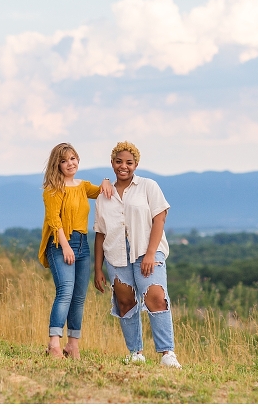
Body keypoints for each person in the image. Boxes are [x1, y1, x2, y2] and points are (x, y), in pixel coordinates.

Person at [93, 141, 182, 368]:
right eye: (119, 161)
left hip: (146, 250)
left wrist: (151, 254)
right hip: (116, 254)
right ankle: (135, 353)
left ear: (136, 164)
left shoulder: (148, 186)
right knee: (125, 302)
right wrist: (97, 269)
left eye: (129, 162)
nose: (124, 166)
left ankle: (167, 353)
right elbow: (100, 234)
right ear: (112, 163)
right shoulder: (104, 196)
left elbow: (159, 219)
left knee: (156, 297)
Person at [39, 142, 112, 359]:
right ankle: (54, 344)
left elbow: (102, 191)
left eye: (72, 158)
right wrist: (65, 246)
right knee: (65, 292)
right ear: (57, 165)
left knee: (79, 297)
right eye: (64, 161)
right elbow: (54, 220)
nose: (70, 163)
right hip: (61, 244)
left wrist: (107, 180)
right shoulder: (53, 189)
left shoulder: (82, 186)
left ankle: (72, 345)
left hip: (83, 244)